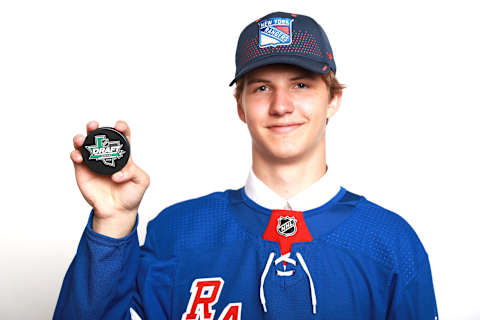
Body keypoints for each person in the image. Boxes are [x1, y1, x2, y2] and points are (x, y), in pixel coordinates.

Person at [54, 11, 438, 320]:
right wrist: (112, 224)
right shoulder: (176, 234)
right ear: (240, 106)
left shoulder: (390, 242)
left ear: (333, 99)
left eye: (301, 85)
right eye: (261, 87)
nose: (281, 105)